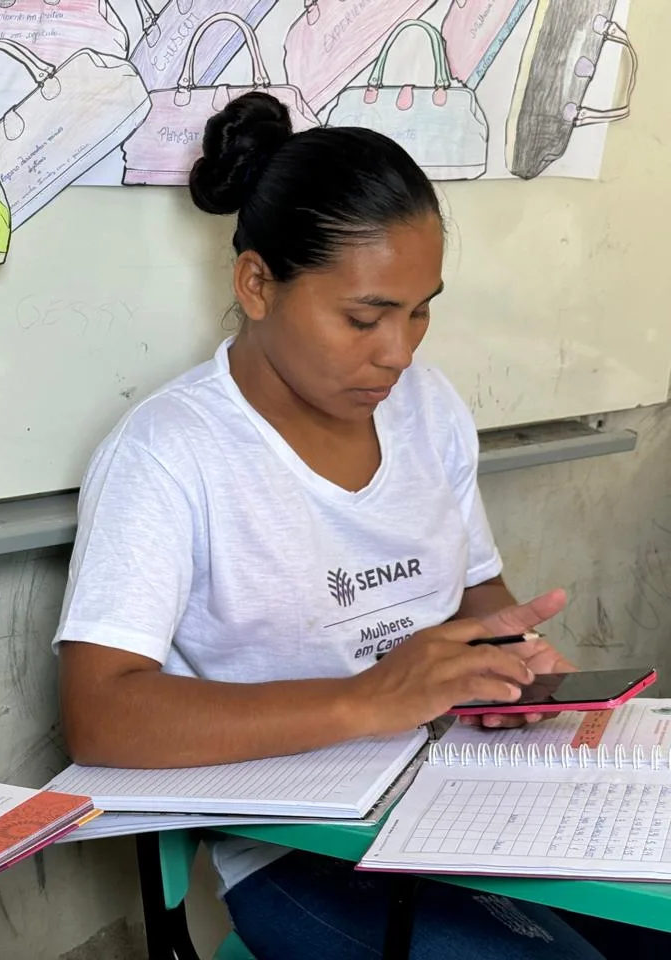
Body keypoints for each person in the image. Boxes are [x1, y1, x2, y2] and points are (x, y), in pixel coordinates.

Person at [54, 93, 658, 959]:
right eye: (365, 318)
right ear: (257, 284)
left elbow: (477, 596)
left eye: (420, 310)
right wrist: (368, 700)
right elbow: (102, 717)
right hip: (303, 849)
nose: (399, 351)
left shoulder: (427, 408)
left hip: (465, 790)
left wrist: (502, 662)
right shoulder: (169, 453)